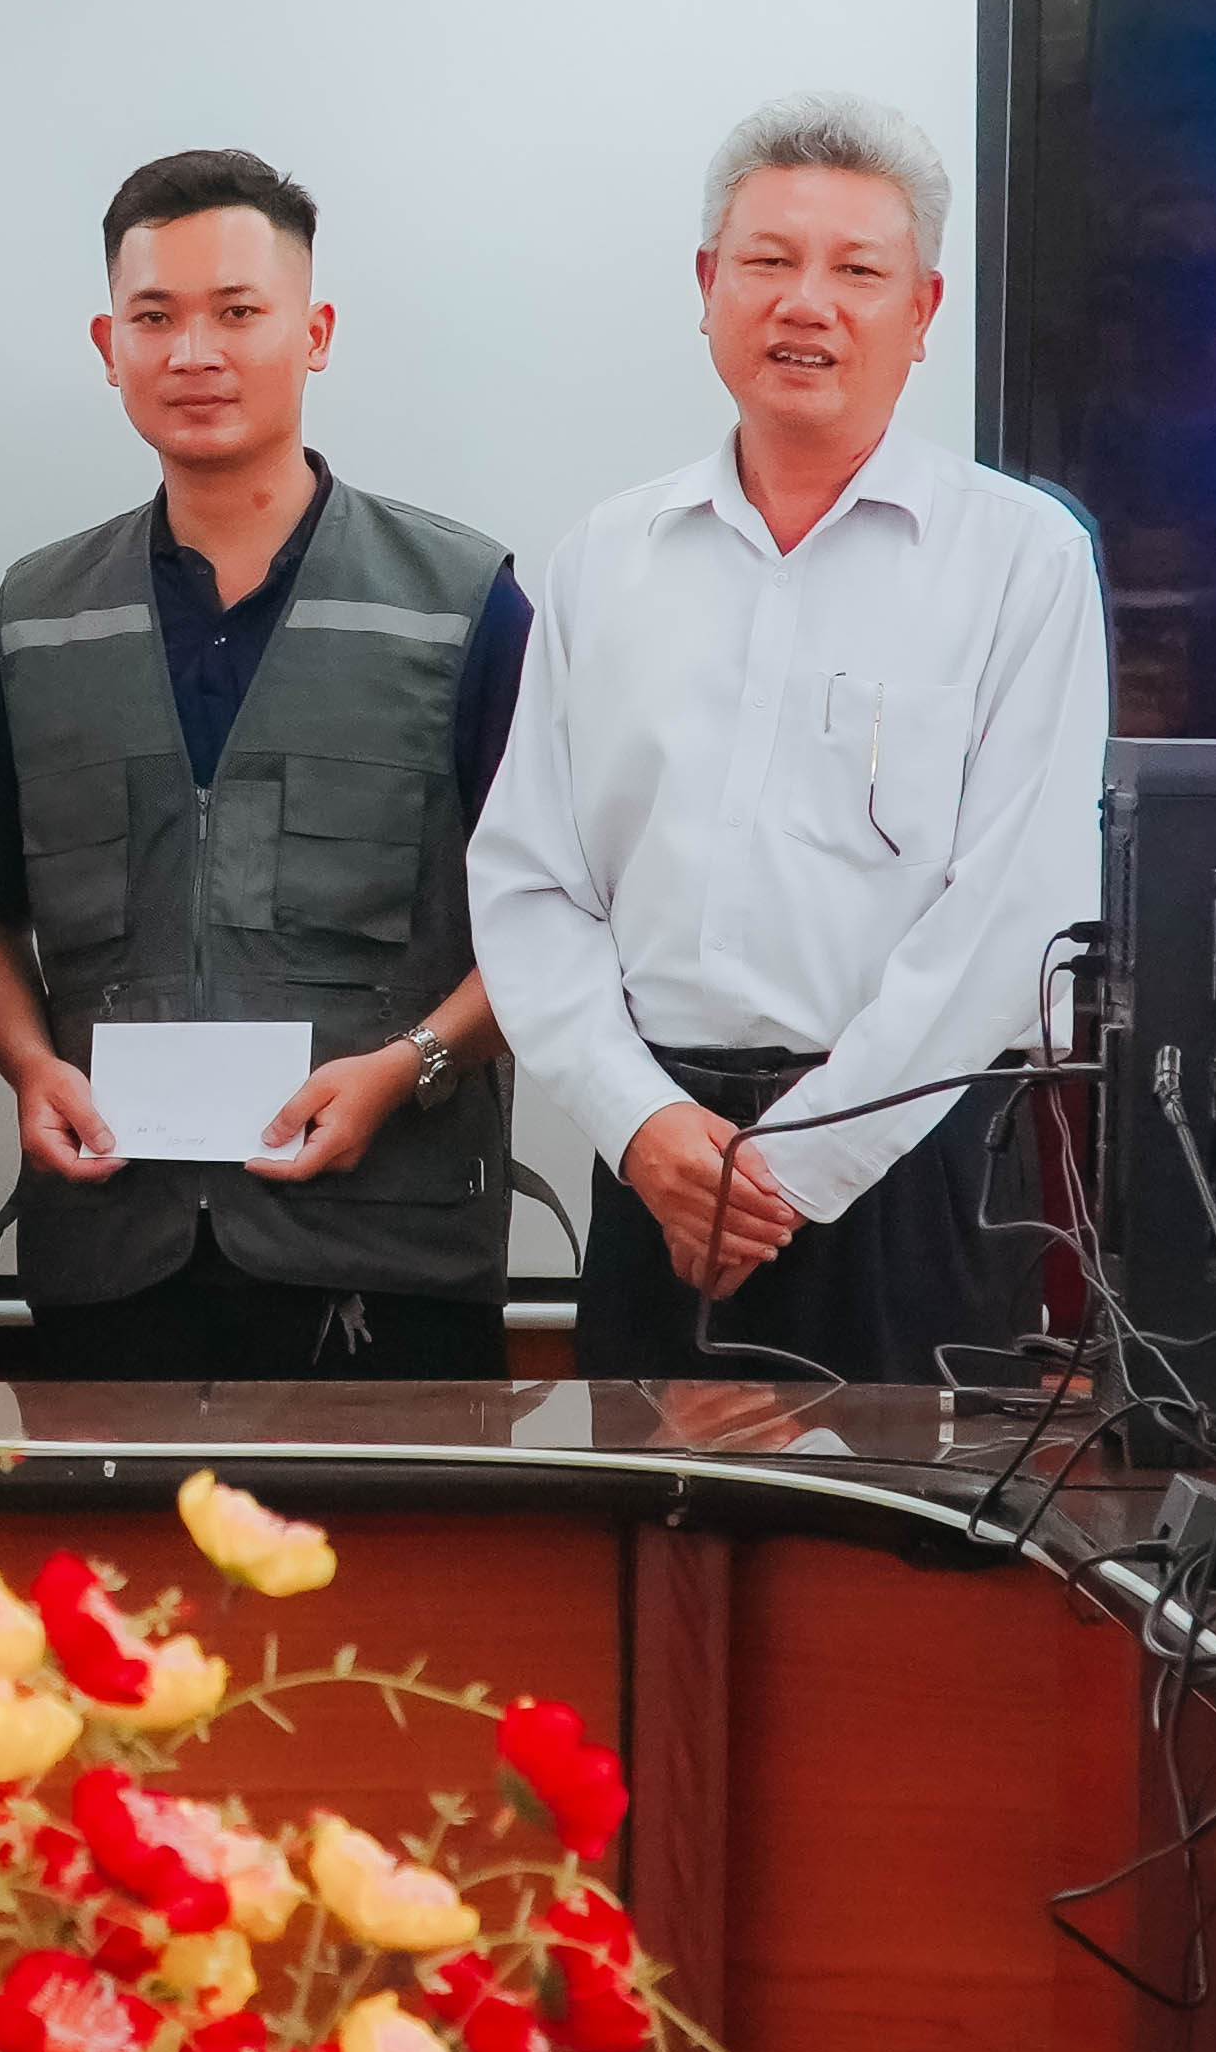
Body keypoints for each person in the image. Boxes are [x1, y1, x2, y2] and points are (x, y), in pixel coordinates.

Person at [472, 91, 1111, 1384]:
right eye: (767, 262)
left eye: (857, 272)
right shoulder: (606, 559)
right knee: (644, 1514)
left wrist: (796, 1168)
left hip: (915, 1167)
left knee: (908, 1520)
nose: (805, 304)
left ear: (922, 312)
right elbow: (531, 887)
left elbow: (1019, 911)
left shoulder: (1020, 560)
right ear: (709, 286)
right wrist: (639, 1122)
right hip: (657, 1166)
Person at [0, 149, 528, 1378]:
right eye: (155, 318)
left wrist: (409, 1068)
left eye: (238, 312)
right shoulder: (37, 621)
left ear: (313, 334)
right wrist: (28, 1064)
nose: (194, 353)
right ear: (109, 345)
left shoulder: (463, 605)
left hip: (389, 1265)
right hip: (113, 1263)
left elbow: (563, 920)